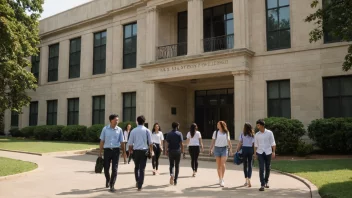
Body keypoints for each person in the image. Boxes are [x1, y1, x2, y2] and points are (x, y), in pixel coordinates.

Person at [99, 114, 125, 192]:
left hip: (116, 151)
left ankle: (112, 185)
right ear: (111, 120)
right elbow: (102, 141)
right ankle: (108, 179)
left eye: (117, 120)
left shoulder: (119, 130)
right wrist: (100, 152)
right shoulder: (105, 129)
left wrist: (124, 152)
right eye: (115, 120)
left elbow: (122, 142)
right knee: (106, 168)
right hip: (107, 150)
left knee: (115, 169)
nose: (117, 121)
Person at [128, 115, 153, 191]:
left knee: (136, 167)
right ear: (144, 122)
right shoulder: (147, 130)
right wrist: (151, 152)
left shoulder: (133, 131)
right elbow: (151, 143)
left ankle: (137, 180)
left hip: (136, 151)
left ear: (137, 121)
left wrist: (131, 151)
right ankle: (140, 185)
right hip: (144, 151)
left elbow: (130, 144)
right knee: (142, 169)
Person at [209, 121, 233, 187]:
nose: (217, 125)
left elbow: (229, 141)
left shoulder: (226, 132)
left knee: (223, 164)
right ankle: (220, 178)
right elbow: (213, 141)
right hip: (217, 149)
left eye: (218, 124)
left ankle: (222, 179)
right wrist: (210, 149)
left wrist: (231, 150)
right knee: (218, 165)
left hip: (224, 149)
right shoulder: (215, 132)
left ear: (221, 125)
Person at [254, 119, 276, 191]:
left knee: (268, 167)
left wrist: (273, 152)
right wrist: (255, 154)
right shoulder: (257, 135)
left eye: (258, 125)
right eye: (257, 125)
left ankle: (266, 181)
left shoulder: (269, 133)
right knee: (261, 168)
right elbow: (255, 145)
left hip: (268, 152)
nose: (257, 126)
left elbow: (273, 142)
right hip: (260, 152)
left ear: (262, 125)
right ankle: (262, 184)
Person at [235, 122, 255, 187]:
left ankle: (246, 180)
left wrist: (237, 150)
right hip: (250, 149)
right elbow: (253, 144)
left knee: (245, 165)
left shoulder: (242, 134)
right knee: (250, 165)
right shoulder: (252, 135)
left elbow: (240, 143)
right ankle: (249, 178)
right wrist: (254, 152)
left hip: (244, 149)